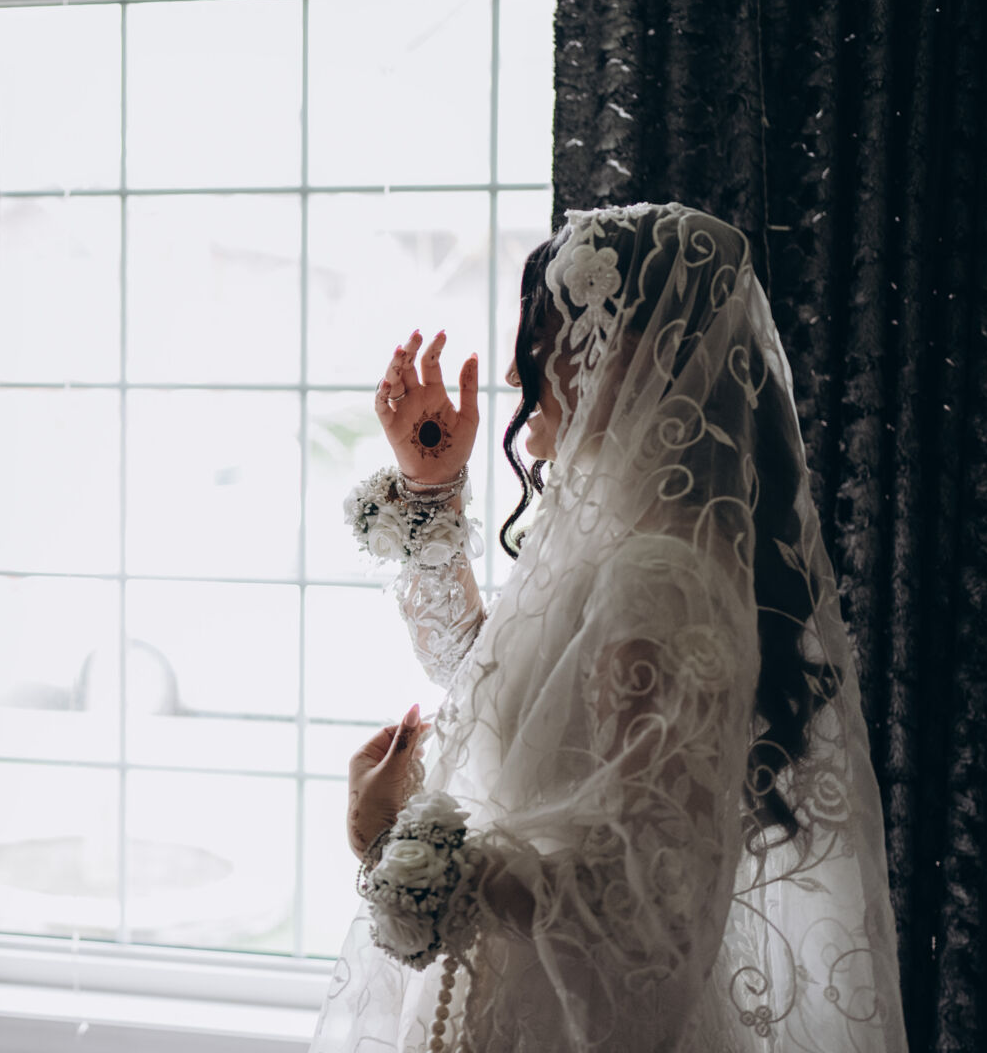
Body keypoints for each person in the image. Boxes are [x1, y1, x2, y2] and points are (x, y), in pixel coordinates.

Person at [316, 203, 907, 1052]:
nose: (514, 376)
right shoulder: (628, 538)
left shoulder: (659, 581)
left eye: (538, 341)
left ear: (623, 352)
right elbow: (504, 685)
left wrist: (395, 846)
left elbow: (639, 921)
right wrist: (430, 489)